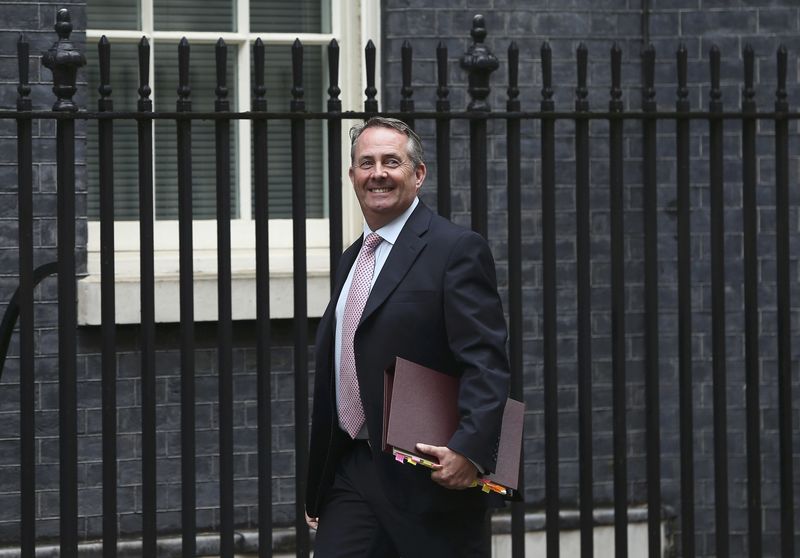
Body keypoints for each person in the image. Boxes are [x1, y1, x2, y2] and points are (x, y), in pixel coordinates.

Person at [304, 117, 510, 557]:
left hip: (428, 473)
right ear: (352, 177)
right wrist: (320, 480)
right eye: (366, 163)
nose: (377, 173)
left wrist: (469, 449)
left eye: (391, 162)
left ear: (418, 175)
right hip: (354, 466)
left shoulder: (455, 249)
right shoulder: (351, 261)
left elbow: (485, 360)